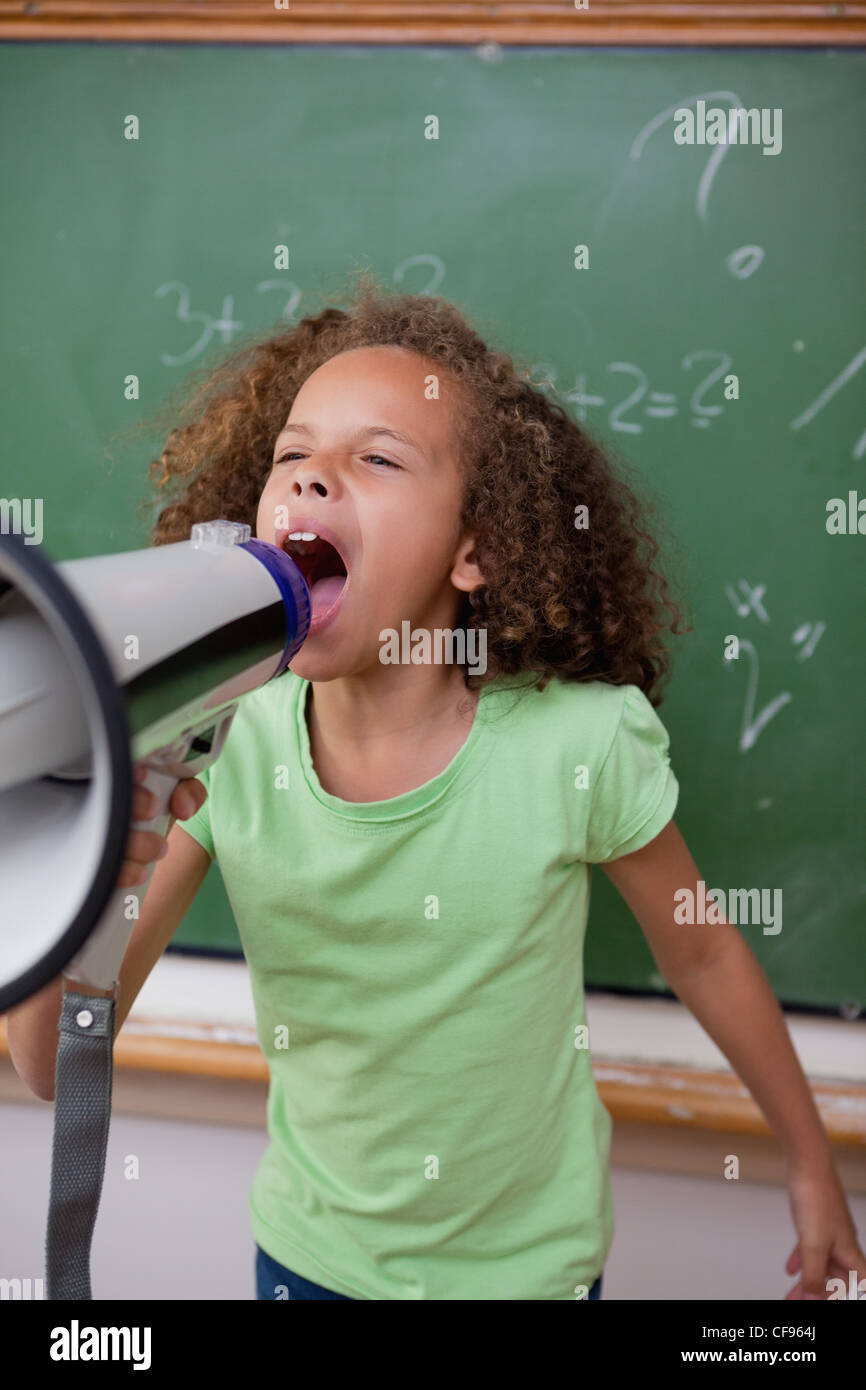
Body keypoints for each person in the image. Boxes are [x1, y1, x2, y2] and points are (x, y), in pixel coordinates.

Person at [9, 274, 864, 1301]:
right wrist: (101, 858)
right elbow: (49, 1065)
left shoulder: (577, 744)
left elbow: (702, 948)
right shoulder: (224, 743)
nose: (312, 478)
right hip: (307, 1264)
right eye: (291, 455)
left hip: (531, 1275)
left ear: (475, 551)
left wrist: (810, 1160)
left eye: (374, 458)